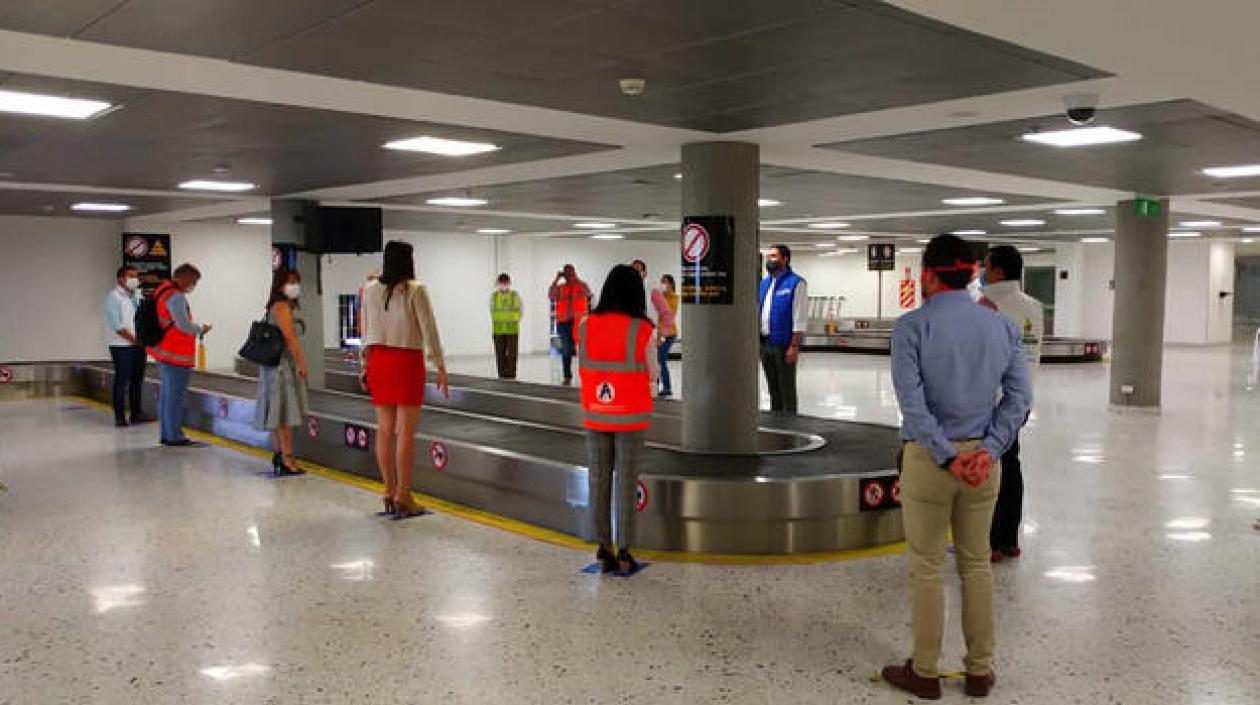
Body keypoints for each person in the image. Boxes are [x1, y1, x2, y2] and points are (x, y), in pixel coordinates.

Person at [882, 235, 1032, 700]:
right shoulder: (1001, 327)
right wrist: (988, 449)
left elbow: (913, 404)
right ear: (971, 273)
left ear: (928, 272)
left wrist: (948, 454)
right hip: (984, 466)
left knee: (927, 565)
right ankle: (980, 671)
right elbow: (1020, 399)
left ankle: (925, 671)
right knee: (976, 565)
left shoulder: (911, 327)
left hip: (930, 460)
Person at [359, 241, 449, 519]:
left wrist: (364, 364)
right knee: (405, 432)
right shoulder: (415, 290)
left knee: (384, 429)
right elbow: (429, 329)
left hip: (378, 360)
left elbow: (365, 329)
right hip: (406, 360)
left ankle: (388, 490)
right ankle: (404, 495)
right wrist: (440, 366)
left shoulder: (370, 290)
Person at [578, 264, 658, 574]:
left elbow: (582, 362)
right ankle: (625, 553)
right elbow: (652, 373)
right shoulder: (643, 330)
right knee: (626, 482)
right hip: (631, 416)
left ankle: (603, 549)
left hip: (595, 411)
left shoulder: (585, 325)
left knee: (598, 479)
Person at [980, 245, 1044, 563]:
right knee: (1011, 463)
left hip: (993, 401)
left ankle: (988, 541)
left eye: (986, 267)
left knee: (989, 466)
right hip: (1023, 397)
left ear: (999, 272)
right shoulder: (1035, 306)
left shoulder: (989, 306)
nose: (982, 272)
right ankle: (1008, 538)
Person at [253, 268, 310, 476]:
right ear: (280, 285)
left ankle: (279, 454)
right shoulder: (281, 306)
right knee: (285, 413)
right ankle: (287, 458)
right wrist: (302, 363)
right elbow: (290, 337)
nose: (295, 286)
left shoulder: (274, 306)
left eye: (297, 281)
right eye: (291, 282)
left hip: (273, 366)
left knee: (277, 412)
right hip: (282, 366)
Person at [149, 263, 212, 447]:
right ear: (182, 278)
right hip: (175, 354)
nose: (193, 285)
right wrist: (201, 329)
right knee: (174, 397)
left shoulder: (162, 290)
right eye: (193, 281)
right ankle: (175, 436)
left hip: (164, 352)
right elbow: (182, 325)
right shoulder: (175, 296)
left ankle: (167, 434)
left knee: (167, 396)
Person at [758, 244, 808, 414]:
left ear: (785, 259)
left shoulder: (796, 283)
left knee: (786, 388)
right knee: (773, 388)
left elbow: (799, 317)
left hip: (784, 344)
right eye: (768, 257)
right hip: (765, 343)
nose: (769, 260)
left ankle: (790, 424)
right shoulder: (764, 284)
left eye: (773, 256)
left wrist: (794, 346)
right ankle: (776, 421)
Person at [104, 265, 150, 427]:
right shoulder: (113, 297)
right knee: (122, 380)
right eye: (131, 276)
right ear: (121, 278)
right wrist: (135, 340)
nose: (135, 280)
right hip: (121, 346)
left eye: (136, 276)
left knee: (137, 380)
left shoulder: (136, 297)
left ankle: (136, 413)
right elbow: (117, 326)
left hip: (138, 345)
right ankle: (119, 416)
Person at [548, 264, 591, 386]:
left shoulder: (582, 285)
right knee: (566, 350)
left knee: (583, 350)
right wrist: (556, 279)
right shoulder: (560, 287)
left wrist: (575, 279)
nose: (568, 275)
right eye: (566, 272)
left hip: (579, 322)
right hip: (563, 323)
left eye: (570, 272)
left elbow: (587, 292)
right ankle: (567, 376)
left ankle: (586, 374)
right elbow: (551, 295)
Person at [490, 273, 522, 380]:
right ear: (498, 283)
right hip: (498, 330)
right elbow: (492, 311)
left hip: (512, 330)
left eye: (505, 282)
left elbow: (521, 310)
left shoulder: (515, 295)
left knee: (512, 355)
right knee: (500, 355)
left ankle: (511, 376)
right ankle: (502, 376)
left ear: (509, 283)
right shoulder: (494, 296)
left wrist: (514, 320)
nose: (503, 284)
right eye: (501, 282)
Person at [656, 274, 680, 397]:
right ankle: (655, 385)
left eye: (664, 282)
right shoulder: (659, 296)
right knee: (656, 360)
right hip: (658, 333)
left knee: (661, 358)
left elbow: (669, 313)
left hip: (669, 334)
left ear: (670, 284)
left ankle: (667, 388)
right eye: (661, 282)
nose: (662, 284)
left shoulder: (674, 297)